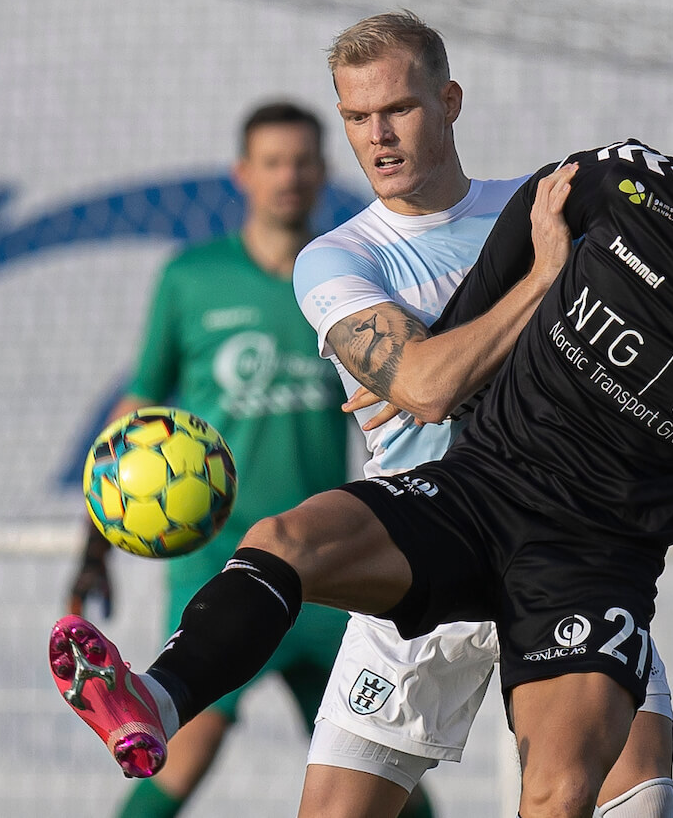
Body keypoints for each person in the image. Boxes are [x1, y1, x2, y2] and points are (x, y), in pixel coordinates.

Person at [50, 56, 673, 818]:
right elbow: (508, 261)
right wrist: (453, 349)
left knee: (568, 796)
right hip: (477, 490)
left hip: (592, 556)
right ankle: (154, 697)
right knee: (286, 537)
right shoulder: (627, 183)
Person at [289, 12, 673, 818]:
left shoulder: (543, 210)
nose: (378, 136)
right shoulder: (340, 256)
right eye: (356, 118)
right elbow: (428, 387)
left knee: (637, 803)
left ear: (450, 100)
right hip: (424, 545)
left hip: (565, 549)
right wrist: (463, 349)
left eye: (397, 108)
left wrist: (441, 358)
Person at [62, 101, 430, 818]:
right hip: (220, 560)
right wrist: (93, 548)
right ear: (243, 174)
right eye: (273, 162)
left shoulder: (345, 278)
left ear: (323, 170)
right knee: (179, 748)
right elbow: (133, 415)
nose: (289, 176)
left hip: (329, 559)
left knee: (386, 773)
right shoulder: (192, 279)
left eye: (301, 161)